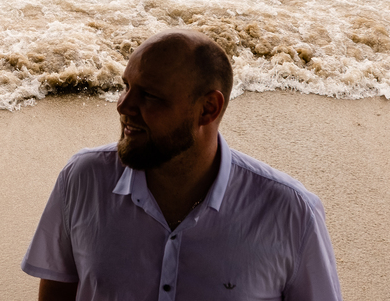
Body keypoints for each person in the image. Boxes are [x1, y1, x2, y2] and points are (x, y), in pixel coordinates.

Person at [22, 30, 342, 301]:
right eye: (125, 86)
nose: (123, 105)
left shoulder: (291, 213)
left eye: (148, 95)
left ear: (208, 108)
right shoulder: (83, 180)